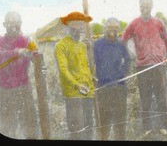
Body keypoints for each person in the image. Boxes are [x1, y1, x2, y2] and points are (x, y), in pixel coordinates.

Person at [121, 0, 167, 138]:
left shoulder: (158, 22)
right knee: (145, 99)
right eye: (142, 6)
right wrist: (130, 56)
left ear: (151, 7)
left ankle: (165, 126)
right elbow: (123, 40)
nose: (145, 8)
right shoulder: (133, 24)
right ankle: (146, 129)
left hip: (158, 66)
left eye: (147, 6)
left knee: (161, 97)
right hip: (142, 67)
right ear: (139, 7)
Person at [0, 11, 39, 139]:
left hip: (24, 88)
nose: (13, 27)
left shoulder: (26, 40)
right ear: (4, 25)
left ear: (21, 24)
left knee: (30, 123)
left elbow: (37, 56)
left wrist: (35, 57)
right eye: (10, 24)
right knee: (7, 127)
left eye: (16, 24)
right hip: (5, 89)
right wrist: (17, 52)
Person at [55, 11, 95, 140]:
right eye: (75, 25)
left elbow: (86, 67)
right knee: (77, 128)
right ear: (68, 26)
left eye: (81, 25)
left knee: (89, 126)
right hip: (73, 94)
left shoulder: (83, 45)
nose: (79, 28)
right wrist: (77, 85)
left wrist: (91, 78)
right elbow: (63, 70)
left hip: (87, 92)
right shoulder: (61, 46)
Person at [93, 17, 130, 140]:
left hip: (119, 87)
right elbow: (92, 63)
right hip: (103, 88)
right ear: (105, 29)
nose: (113, 31)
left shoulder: (121, 44)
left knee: (120, 121)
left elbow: (128, 60)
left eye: (115, 29)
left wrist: (123, 72)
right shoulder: (97, 44)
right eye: (110, 28)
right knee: (103, 122)